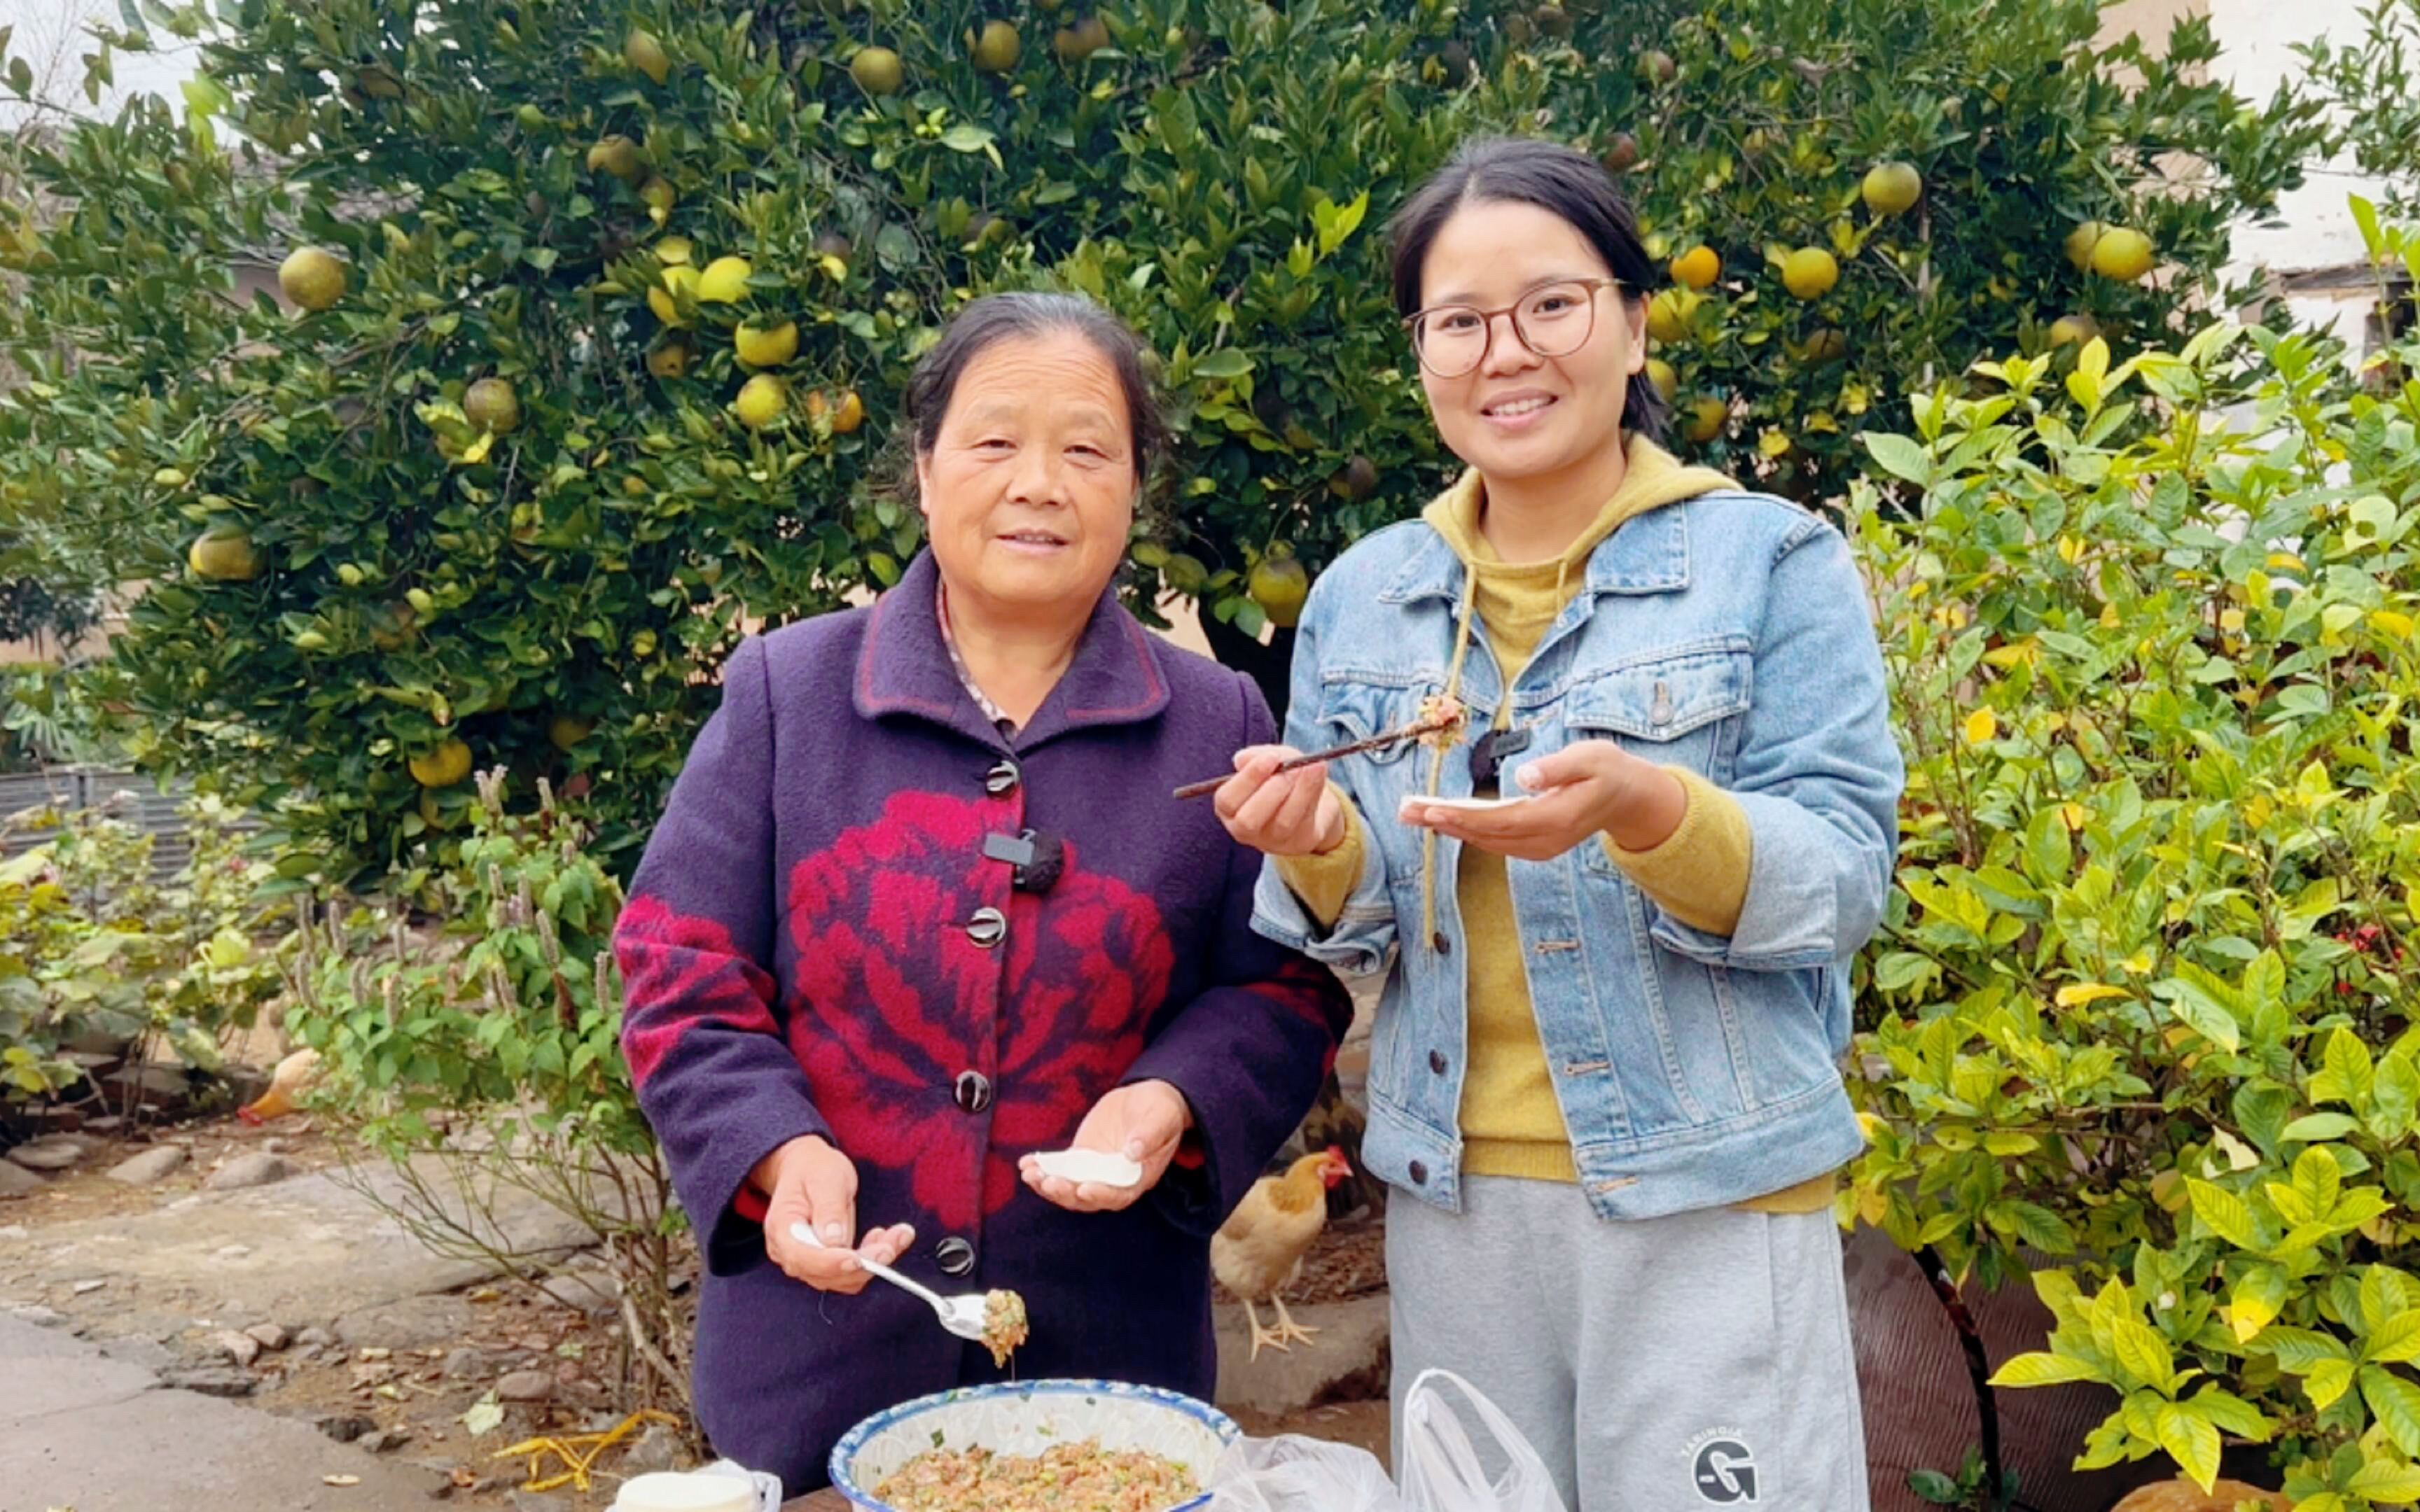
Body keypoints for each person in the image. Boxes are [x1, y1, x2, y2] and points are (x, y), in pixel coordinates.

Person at [1218, 136, 1902, 1511]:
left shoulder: (1769, 560)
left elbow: (1842, 880)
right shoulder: (1365, 594)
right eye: (1458, 321)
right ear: (1421, 351)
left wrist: (1659, 815)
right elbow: (1363, 917)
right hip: (1453, 1202)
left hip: (1707, 1187)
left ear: (1635, 319)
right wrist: (1311, 842)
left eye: (1551, 305)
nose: (1504, 353)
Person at [614, 291, 1352, 1493]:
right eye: (996, 440)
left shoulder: (1219, 722)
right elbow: (675, 965)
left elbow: (1282, 985)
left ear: (1134, 490)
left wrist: (1171, 1100)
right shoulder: (784, 694)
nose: (1039, 482)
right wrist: (769, 1148)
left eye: (1086, 449)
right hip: (819, 1367)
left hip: (1109, 1379)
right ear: (925, 469)